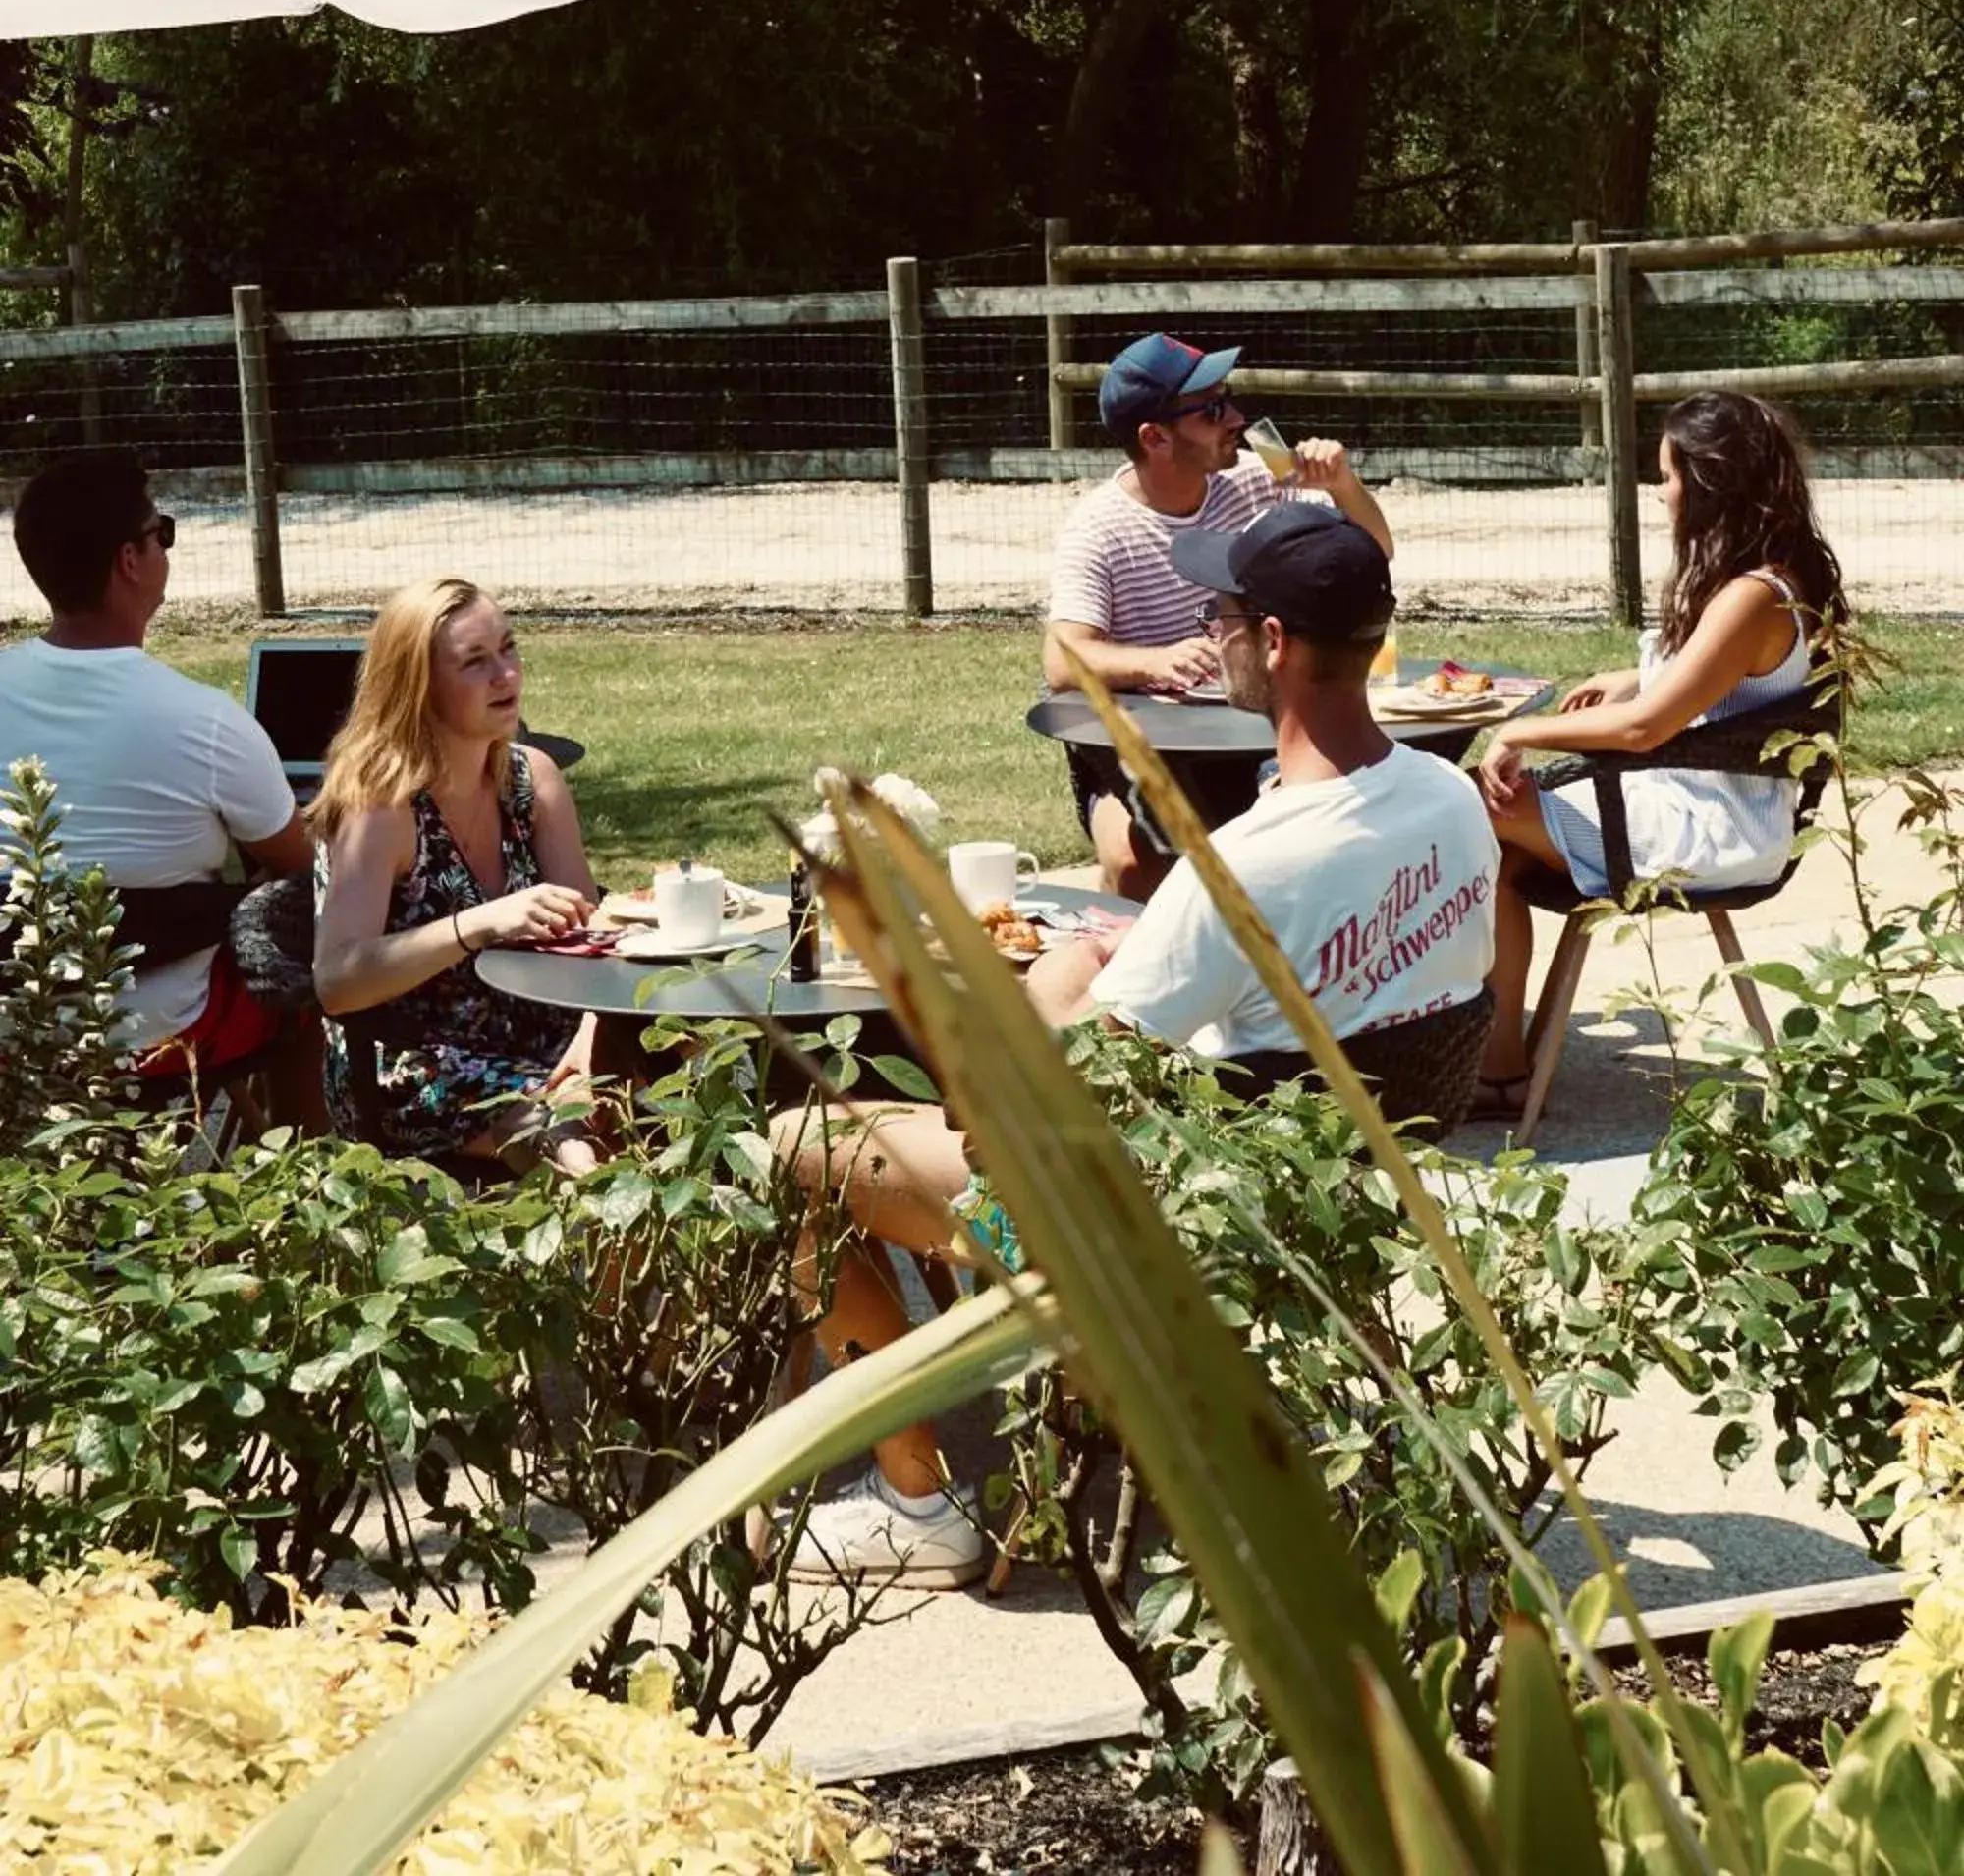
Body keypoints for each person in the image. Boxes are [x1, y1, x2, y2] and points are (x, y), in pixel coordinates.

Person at [770, 503, 1495, 1586]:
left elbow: (1039, 1103)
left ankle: (917, 1505)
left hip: (1160, 1216)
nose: (1212, 630)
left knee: (792, 1144)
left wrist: (1049, 984)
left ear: (1275, 645)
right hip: (1342, 1193)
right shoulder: (1450, 800)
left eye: (1223, 613)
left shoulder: (1243, 865)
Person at [1473, 389, 1848, 1115]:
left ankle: (1476, 1056)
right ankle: (1501, 1065)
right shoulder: (1764, 580)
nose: (1662, 493)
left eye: (1669, 476)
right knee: (1496, 849)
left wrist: (1518, 731)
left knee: (1467, 812)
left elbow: (1644, 730)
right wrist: (1629, 677)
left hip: (1712, 824)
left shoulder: (1752, 596)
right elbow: (1716, 689)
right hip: (1698, 798)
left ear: (1710, 484)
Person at [0, 447, 321, 1117]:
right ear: (130, 560)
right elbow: (299, 869)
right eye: (162, 533)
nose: (164, 548)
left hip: (18, 1028)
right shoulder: (205, 721)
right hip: (168, 1029)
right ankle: (300, 1176)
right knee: (310, 975)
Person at [1044, 332, 1392, 898]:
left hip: (1254, 735)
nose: (1235, 417)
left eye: (1227, 397)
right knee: (1138, 867)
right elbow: (1062, 660)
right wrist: (1155, 660)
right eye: (1211, 410)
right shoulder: (1099, 528)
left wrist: (1343, 487)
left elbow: (1368, 557)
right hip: (1153, 756)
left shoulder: (1257, 479)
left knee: (1317, 852)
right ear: (1155, 437)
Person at [310, 578, 601, 1169]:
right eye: (475, 662)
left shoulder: (532, 780)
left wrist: (593, 1038)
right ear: (420, 687)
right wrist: (476, 924)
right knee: (577, 1148)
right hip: (417, 1063)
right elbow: (337, 981)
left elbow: (595, 943)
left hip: (546, 1042)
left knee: (698, 1083)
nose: (507, 674)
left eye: (508, 648)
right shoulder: (381, 806)